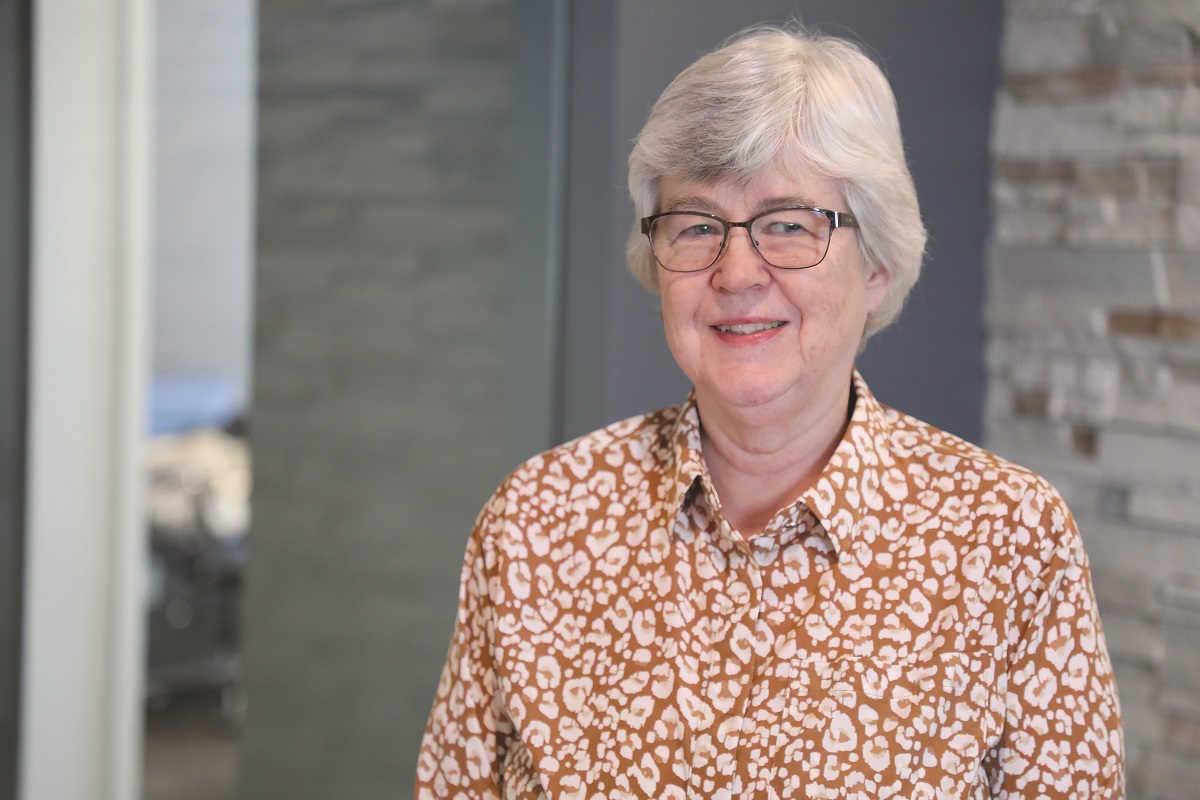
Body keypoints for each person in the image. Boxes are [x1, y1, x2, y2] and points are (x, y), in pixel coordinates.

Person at [416, 24, 1123, 799]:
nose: (737, 271)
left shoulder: (1008, 540)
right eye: (697, 226)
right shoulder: (535, 523)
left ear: (879, 262)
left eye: (788, 224)